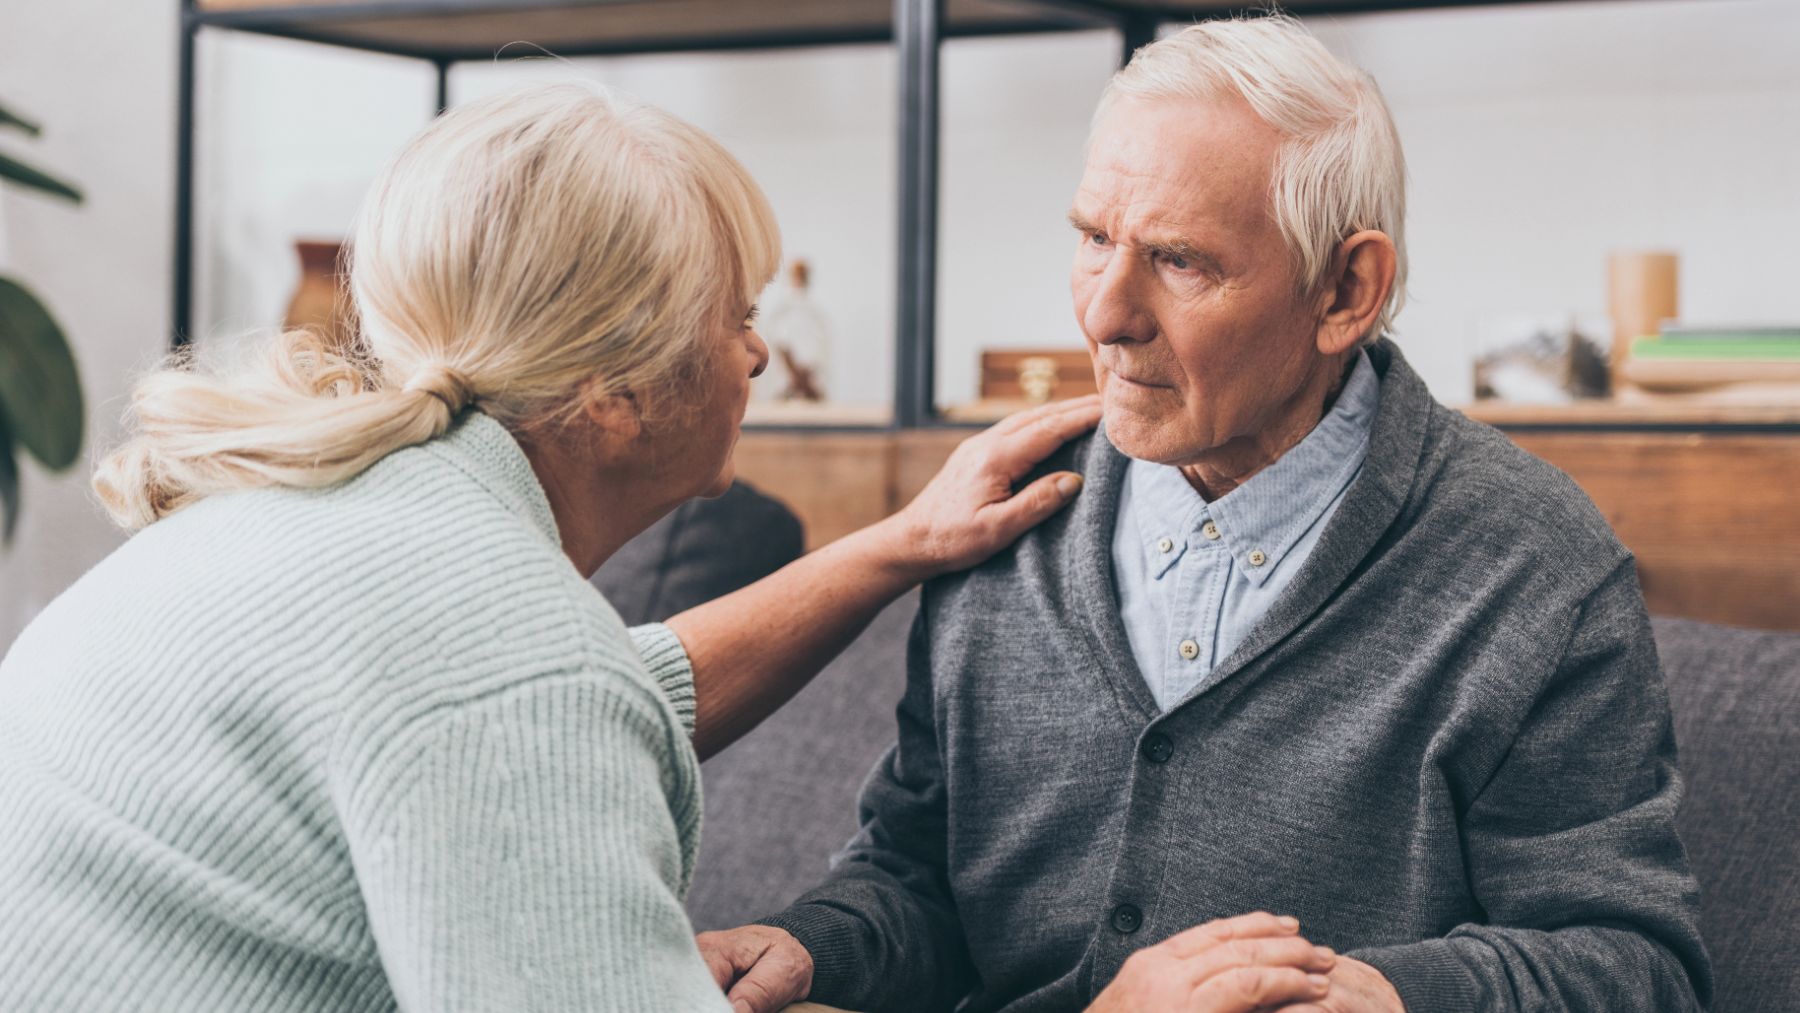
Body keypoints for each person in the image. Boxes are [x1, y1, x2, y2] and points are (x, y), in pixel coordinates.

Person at [0, 84, 1135, 1011]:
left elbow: (607, 691)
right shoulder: (508, 663)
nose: (755, 356)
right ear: (612, 396)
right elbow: (531, 699)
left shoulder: (316, 517)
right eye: (731, 316)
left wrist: (897, 544)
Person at [701, 15, 1711, 1013]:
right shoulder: (1001, 514)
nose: (1104, 314)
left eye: (1181, 261)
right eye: (1094, 238)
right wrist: (812, 944)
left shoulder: (1534, 565)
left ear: (1346, 290)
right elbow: (915, 872)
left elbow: (1635, 965)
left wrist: (1386, 994)